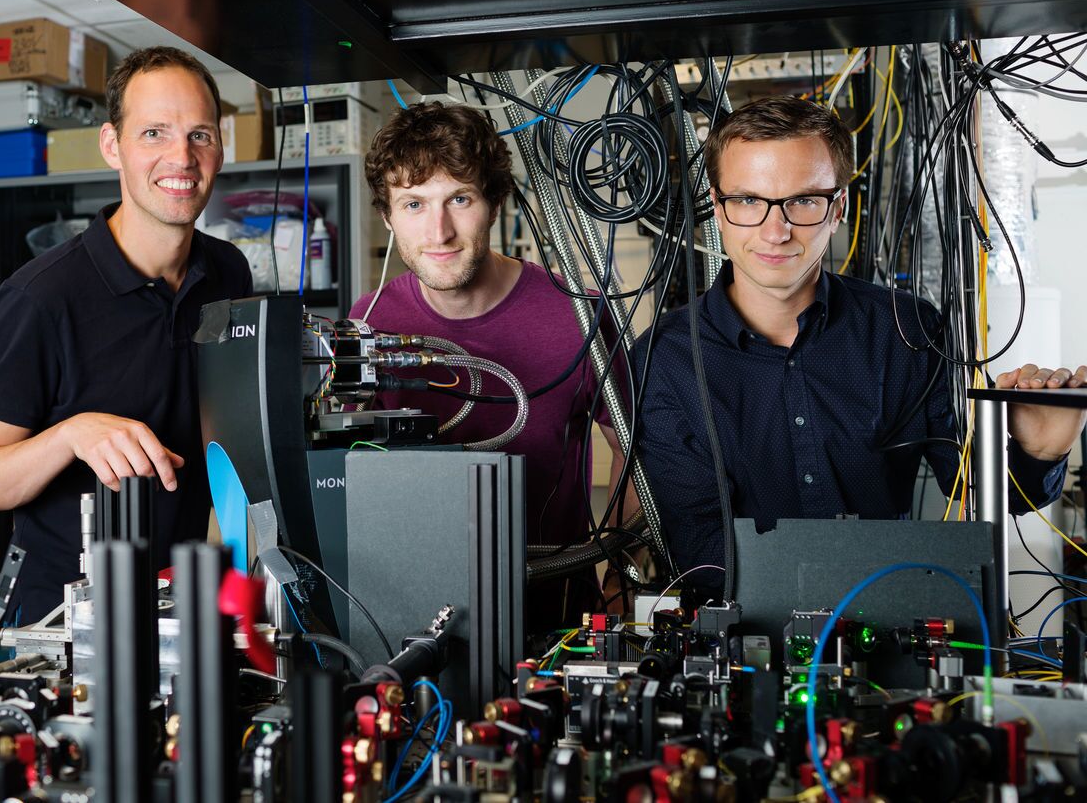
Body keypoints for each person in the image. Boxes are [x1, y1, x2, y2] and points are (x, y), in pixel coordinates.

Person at [632, 95, 1087, 594]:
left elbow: (979, 492)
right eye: (748, 201)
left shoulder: (907, 329)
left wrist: (1038, 452)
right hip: (732, 650)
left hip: (889, 631)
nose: (775, 231)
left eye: (804, 200)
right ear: (717, 209)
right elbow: (699, 552)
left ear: (839, 207)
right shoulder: (664, 360)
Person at [0, 47, 253, 623]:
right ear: (112, 145)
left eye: (200, 135)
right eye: (155, 133)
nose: (181, 158)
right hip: (59, 624)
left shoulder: (228, 272)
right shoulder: (41, 298)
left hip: (178, 602)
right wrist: (72, 434)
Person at [349, 102, 634, 631]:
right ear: (387, 216)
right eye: (414, 204)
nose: (439, 232)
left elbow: (634, 452)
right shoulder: (368, 321)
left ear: (495, 202)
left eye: (460, 199)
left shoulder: (580, 312)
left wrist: (619, 578)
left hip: (555, 604)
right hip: (415, 611)